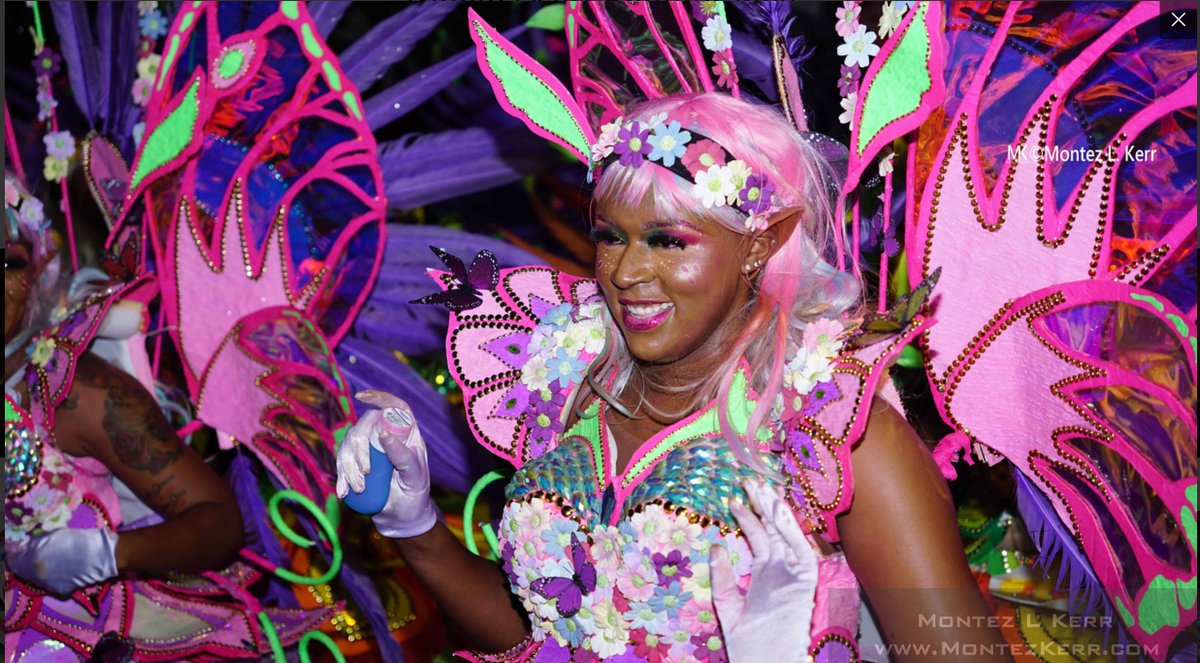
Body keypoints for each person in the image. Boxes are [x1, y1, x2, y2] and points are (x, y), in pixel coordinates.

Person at [338, 93, 1011, 662]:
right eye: (611, 236)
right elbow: (547, 636)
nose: (627, 273)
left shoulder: (832, 426)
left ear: (758, 244)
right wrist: (416, 528)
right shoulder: (564, 373)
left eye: (668, 241)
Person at [4, 174, 316, 661]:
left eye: (8, 262)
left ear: (36, 273)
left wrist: (103, 554)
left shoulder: (74, 389)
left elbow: (218, 524)